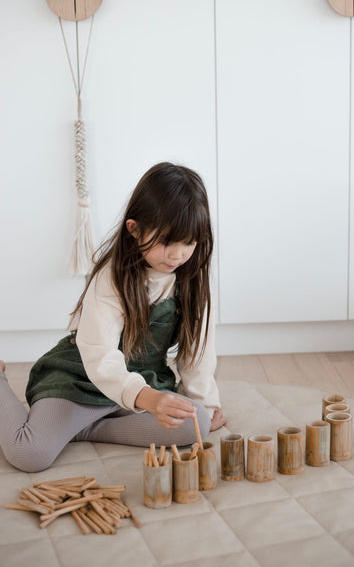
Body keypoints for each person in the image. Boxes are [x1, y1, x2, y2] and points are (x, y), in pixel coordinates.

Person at [0, 162, 226, 472]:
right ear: (134, 229)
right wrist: (150, 401)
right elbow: (100, 358)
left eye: (188, 243)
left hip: (140, 384)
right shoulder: (111, 278)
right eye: (165, 243)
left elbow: (198, 349)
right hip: (83, 379)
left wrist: (206, 403)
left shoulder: (194, 278)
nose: (177, 256)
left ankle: (83, 430)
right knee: (29, 453)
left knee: (196, 422)